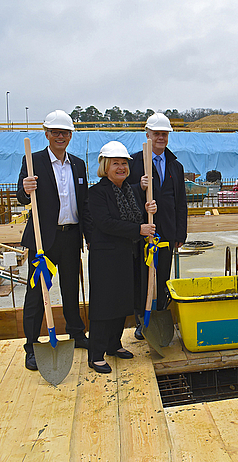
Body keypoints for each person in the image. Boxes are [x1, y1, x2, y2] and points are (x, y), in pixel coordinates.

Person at [17, 110, 92, 371]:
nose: (60, 136)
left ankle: (76, 333)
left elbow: (84, 203)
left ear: (70, 135)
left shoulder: (79, 165)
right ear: (47, 134)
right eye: (56, 132)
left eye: (65, 132)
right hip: (43, 240)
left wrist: (88, 236)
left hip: (70, 237)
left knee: (72, 289)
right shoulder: (33, 160)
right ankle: (31, 346)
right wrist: (26, 189)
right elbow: (22, 197)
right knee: (37, 294)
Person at [87, 142, 157, 373]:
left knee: (120, 302)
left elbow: (139, 213)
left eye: (124, 163)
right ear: (105, 166)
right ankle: (96, 354)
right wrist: (138, 229)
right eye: (115, 163)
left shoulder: (131, 191)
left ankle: (113, 345)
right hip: (105, 258)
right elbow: (105, 223)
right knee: (104, 304)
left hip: (127, 255)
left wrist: (149, 208)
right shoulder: (96, 193)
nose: (121, 168)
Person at [128, 112, 188, 339]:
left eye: (164, 134)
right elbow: (125, 197)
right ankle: (142, 320)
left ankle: (160, 317)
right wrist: (138, 186)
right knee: (142, 276)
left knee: (162, 275)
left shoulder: (175, 166)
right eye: (157, 134)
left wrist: (180, 233)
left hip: (167, 230)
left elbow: (181, 202)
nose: (161, 138)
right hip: (144, 232)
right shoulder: (135, 163)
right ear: (148, 135)